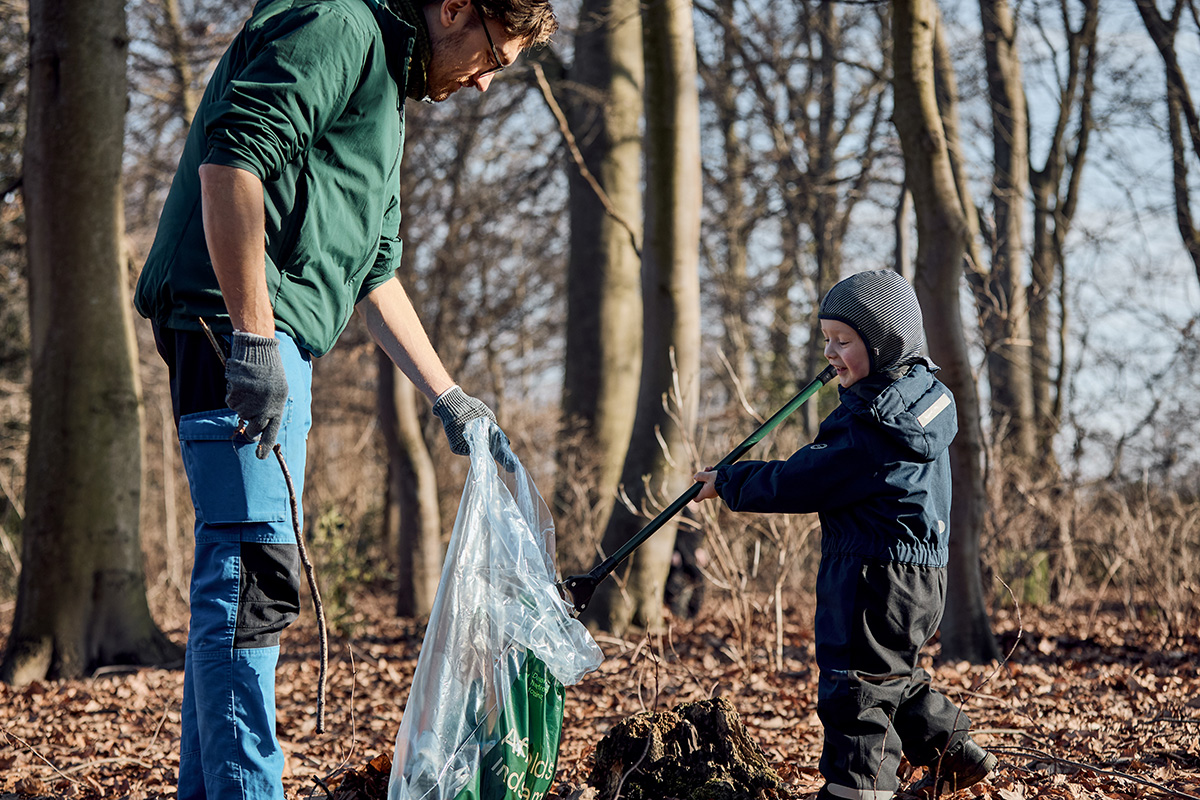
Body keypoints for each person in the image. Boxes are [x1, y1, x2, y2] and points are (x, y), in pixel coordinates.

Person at [133, 0, 556, 796]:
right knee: (252, 574)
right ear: (455, 6)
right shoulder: (338, 26)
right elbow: (232, 162)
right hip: (233, 326)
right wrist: (254, 337)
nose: (486, 85)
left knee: (244, 568)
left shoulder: (385, 96)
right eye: (494, 56)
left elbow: (375, 272)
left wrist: (449, 397)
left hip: (275, 336)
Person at [692, 270, 996, 800]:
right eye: (826, 339)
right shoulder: (920, 397)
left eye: (844, 341)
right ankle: (954, 753)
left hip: (870, 571)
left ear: (883, 343)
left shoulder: (872, 424)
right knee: (889, 674)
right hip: (920, 570)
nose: (830, 353)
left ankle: (856, 793)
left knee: (855, 689)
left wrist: (732, 481)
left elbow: (806, 479)